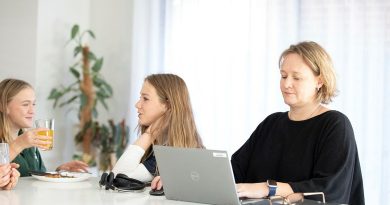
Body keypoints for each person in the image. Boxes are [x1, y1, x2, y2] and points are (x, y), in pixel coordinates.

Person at [231, 41, 364, 204]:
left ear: (319, 81)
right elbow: (234, 171)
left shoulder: (335, 125)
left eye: (297, 77)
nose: (286, 84)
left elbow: (329, 190)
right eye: (283, 76)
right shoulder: (271, 123)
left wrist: (268, 188)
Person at [112, 74, 204, 182]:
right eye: (140, 98)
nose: (137, 105)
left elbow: (118, 179)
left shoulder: (170, 151)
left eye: (145, 99)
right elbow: (115, 179)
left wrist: (149, 134)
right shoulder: (160, 143)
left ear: (167, 105)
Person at [0, 78, 89, 177]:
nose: (32, 111)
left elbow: (34, 178)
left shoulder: (29, 142)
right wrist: (19, 144)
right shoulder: (24, 141)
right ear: (3, 106)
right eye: (25, 104)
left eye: (33, 104)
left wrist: (58, 172)